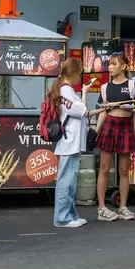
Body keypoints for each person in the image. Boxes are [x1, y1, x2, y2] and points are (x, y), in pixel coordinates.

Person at [49, 58, 105, 228]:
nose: (81, 76)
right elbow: (82, 110)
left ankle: (70, 215)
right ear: (72, 73)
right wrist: (86, 93)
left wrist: (100, 107)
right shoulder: (66, 92)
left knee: (70, 180)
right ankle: (62, 218)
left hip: (69, 142)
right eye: (79, 73)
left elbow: (82, 111)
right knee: (66, 181)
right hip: (69, 142)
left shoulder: (64, 90)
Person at [94, 53, 135, 222]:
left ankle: (123, 207)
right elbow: (102, 112)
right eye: (109, 64)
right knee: (104, 169)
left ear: (124, 66)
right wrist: (95, 131)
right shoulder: (105, 87)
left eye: (114, 64)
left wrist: (128, 108)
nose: (111, 67)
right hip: (109, 127)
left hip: (126, 127)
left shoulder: (131, 85)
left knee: (124, 170)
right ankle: (101, 208)